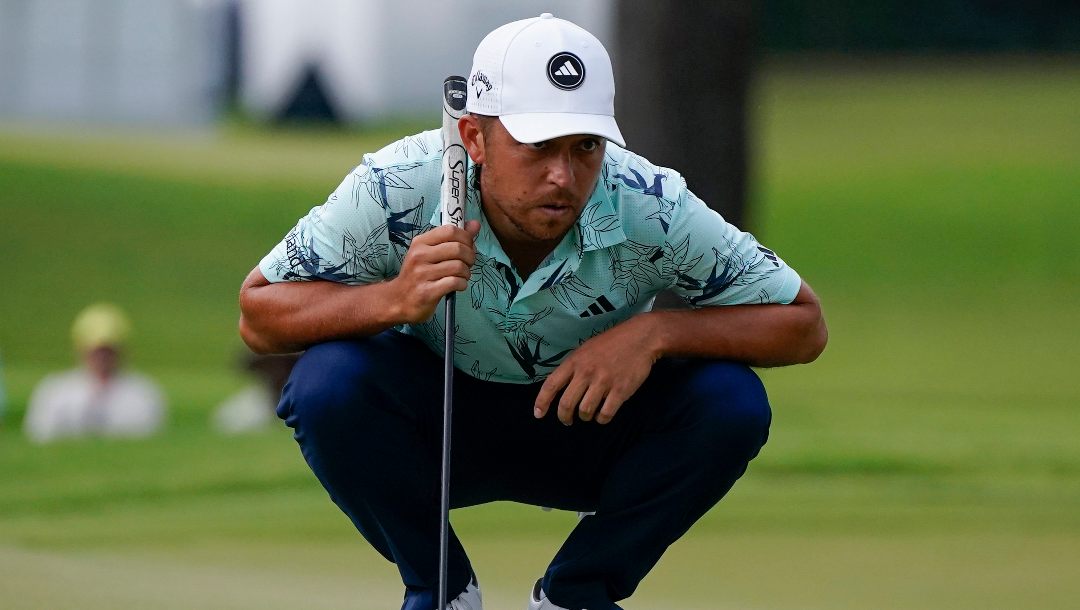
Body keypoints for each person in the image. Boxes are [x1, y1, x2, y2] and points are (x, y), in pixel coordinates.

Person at [239, 13, 827, 610]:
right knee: (326, 383)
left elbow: (803, 324)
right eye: (537, 146)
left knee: (731, 401)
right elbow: (258, 315)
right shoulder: (400, 185)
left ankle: (577, 594)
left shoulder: (647, 201)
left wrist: (657, 332)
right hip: (435, 433)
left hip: (586, 423)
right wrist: (392, 298)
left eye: (585, 147)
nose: (563, 176)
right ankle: (442, 589)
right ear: (473, 137)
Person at [24, 303, 166, 444]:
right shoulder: (55, 391)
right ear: (80, 348)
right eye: (96, 351)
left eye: (108, 351)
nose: (102, 357)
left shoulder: (145, 394)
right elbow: (39, 437)